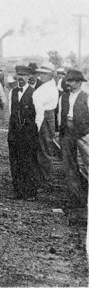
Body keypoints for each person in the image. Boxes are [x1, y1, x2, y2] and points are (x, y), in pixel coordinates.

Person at [56, 69, 89, 224]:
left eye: (72, 81)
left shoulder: (86, 97)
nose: (68, 83)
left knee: (86, 164)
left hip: (83, 134)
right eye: (67, 80)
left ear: (79, 82)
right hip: (67, 133)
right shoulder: (63, 97)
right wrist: (61, 132)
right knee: (69, 166)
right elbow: (60, 115)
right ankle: (76, 199)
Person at [7, 64, 41, 200]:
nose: (21, 78)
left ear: (29, 77)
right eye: (19, 75)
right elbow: (11, 112)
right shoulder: (12, 92)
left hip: (28, 133)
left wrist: (34, 132)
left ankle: (30, 192)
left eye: (24, 76)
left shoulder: (34, 93)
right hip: (15, 132)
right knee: (15, 161)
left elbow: (39, 115)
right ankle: (18, 191)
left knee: (28, 162)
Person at [31, 62, 60, 189]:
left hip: (44, 117)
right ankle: (42, 179)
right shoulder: (48, 85)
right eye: (40, 73)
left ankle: (46, 181)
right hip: (46, 117)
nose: (40, 76)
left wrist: (37, 125)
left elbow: (40, 109)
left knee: (44, 149)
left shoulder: (47, 87)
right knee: (43, 148)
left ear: (50, 75)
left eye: (43, 74)